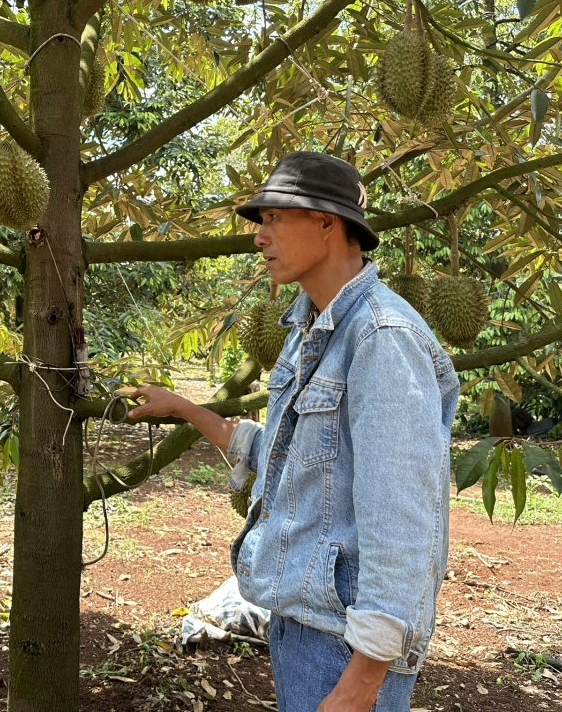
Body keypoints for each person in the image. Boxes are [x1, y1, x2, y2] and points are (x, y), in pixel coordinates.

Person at [130, 152, 458, 712]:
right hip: (303, 623)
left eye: (275, 217)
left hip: (344, 644)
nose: (260, 236)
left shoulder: (382, 337)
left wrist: (359, 685)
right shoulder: (310, 326)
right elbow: (291, 455)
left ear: (327, 223)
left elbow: (404, 523)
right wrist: (184, 408)